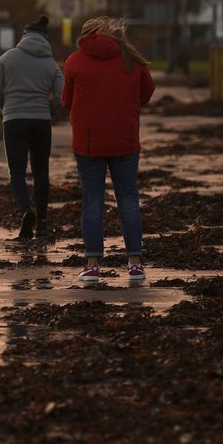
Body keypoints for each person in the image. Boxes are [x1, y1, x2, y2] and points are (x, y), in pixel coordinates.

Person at [61, 17, 155, 283]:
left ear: (86, 36)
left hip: (88, 143)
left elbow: (67, 101)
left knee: (93, 200)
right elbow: (147, 92)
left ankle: (92, 266)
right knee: (128, 199)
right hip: (125, 141)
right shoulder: (131, 59)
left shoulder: (75, 61)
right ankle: (135, 264)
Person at [0, 14, 65, 239]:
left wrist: (7, 108)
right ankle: (42, 222)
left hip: (13, 121)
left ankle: (25, 210)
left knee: (17, 173)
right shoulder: (51, 64)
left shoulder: (7, 58)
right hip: (41, 121)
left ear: (24, 36)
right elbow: (62, 96)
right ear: (45, 39)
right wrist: (46, 104)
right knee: (41, 171)